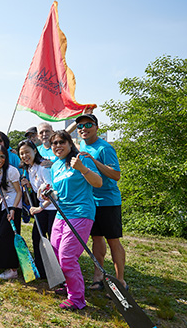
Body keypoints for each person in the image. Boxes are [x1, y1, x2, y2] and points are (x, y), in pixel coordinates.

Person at [46, 130, 102, 310]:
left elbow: (98, 183)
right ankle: (67, 284)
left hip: (80, 213)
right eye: (54, 143)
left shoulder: (80, 160)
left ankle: (77, 299)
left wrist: (82, 169)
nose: (58, 146)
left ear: (70, 143)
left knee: (67, 256)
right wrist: (47, 194)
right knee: (55, 252)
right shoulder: (56, 166)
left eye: (61, 142)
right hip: (61, 213)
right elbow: (58, 193)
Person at [76, 114, 127, 292]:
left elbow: (116, 175)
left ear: (97, 127)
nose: (84, 128)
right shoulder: (82, 144)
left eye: (88, 124)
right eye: (80, 126)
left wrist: (94, 160)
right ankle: (98, 277)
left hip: (108, 201)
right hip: (91, 201)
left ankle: (120, 281)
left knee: (113, 241)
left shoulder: (105, 148)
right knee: (96, 239)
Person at [18, 139, 56, 280]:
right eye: (21, 154)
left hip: (52, 209)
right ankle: (42, 269)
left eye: (27, 152)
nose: (24, 156)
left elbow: (50, 190)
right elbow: (38, 190)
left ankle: (56, 270)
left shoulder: (43, 166)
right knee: (37, 238)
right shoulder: (30, 168)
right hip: (42, 209)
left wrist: (40, 208)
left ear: (35, 150)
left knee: (52, 241)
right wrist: (28, 185)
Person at [0, 145, 23, 279]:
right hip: (5, 204)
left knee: (6, 234)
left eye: (2, 156)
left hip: (14, 205)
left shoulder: (12, 171)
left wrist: (14, 209)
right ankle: (0, 263)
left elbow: (19, 192)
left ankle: (12, 269)